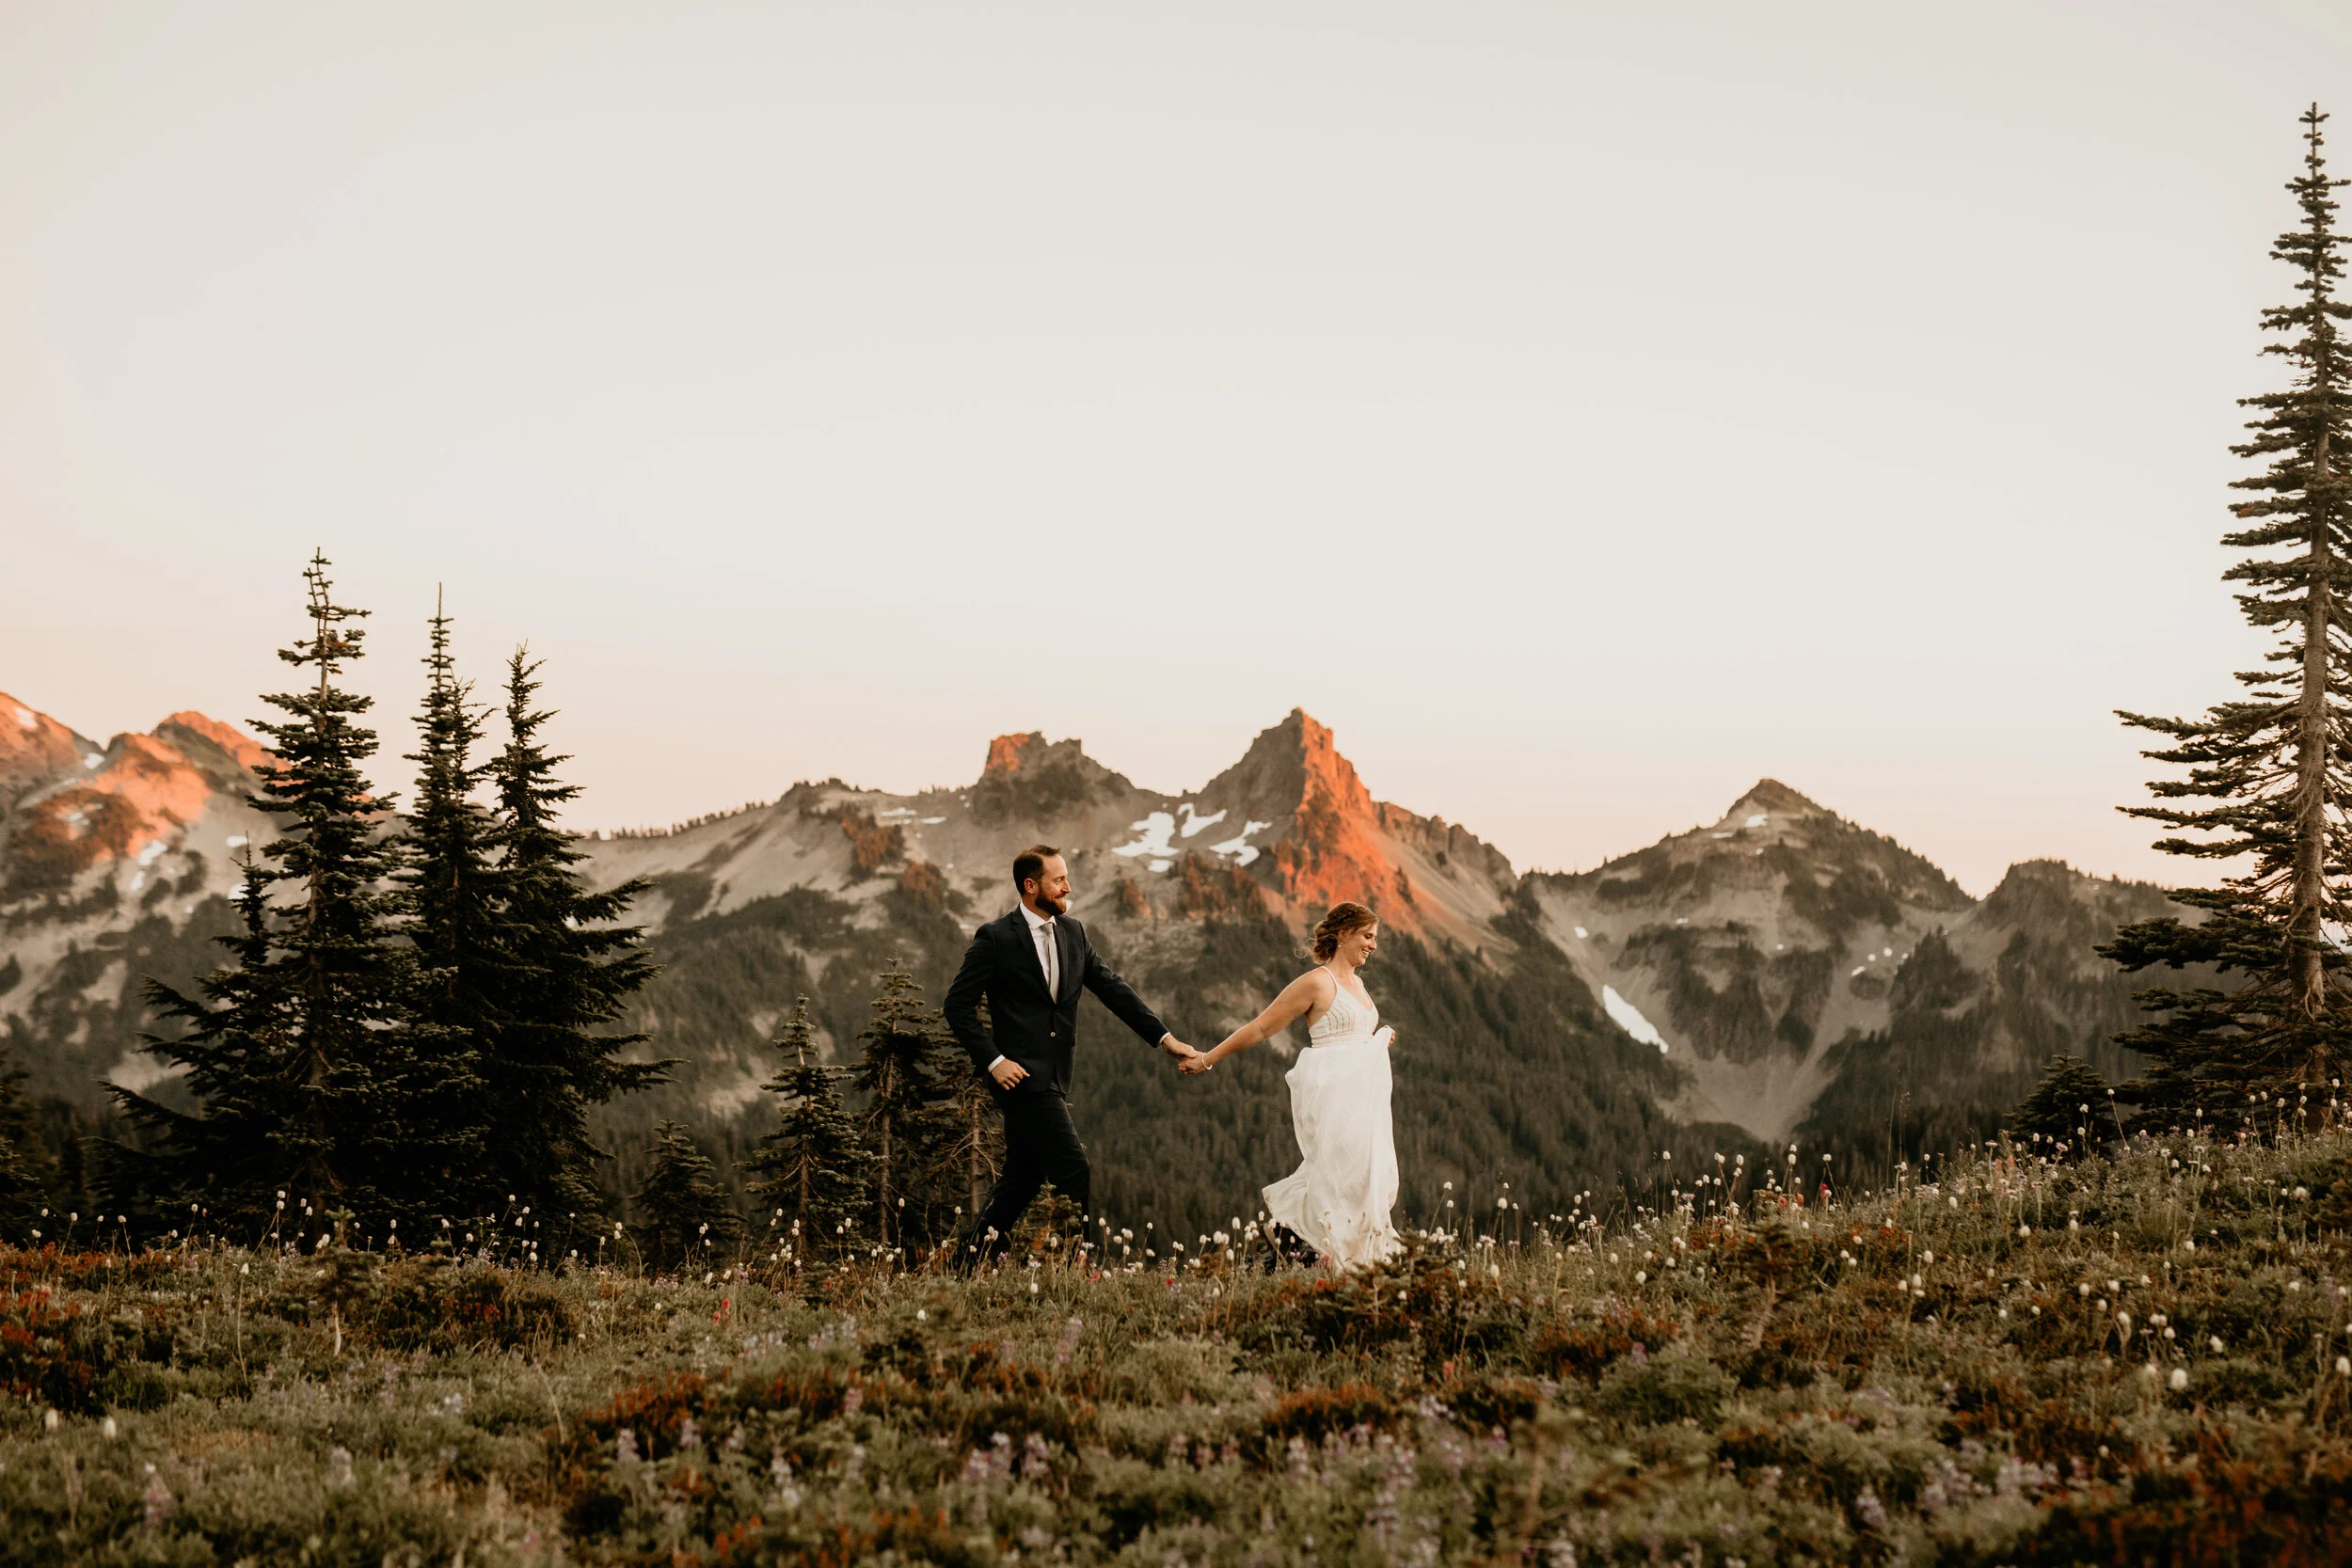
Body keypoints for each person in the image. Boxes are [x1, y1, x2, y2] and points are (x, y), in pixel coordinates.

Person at [945, 844, 1201, 1268]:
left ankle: (963, 1266)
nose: (1068, 885)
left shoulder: (1074, 933)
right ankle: (1075, 1271)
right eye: (1058, 879)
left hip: (1057, 1076)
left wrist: (1165, 1039)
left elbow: (1113, 989)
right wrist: (995, 1061)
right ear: (1031, 886)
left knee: (1021, 1180)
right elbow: (956, 1006)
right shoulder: (995, 938)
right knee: (1074, 1170)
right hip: (1021, 1080)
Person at [1183, 901, 1399, 1270]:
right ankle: (1294, 1250)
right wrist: (1208, 1057)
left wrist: (1377, 1041)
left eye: (1374, 938)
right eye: (1367, 936)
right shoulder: (1317, 981)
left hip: (1366, 1101)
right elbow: (1263, 1026)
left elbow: (1354, 1033)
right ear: (1344, 934)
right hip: (1336, 1098)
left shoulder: (1359, 984)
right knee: (1336, 1176)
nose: (1373, 945)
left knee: (1362, 1180)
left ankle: (1317, 1259)